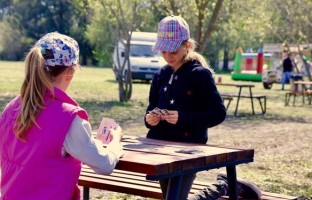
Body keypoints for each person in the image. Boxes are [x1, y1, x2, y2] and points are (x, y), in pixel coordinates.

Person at [144, 15, 261, 200]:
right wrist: (149, 119)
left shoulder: (200, 75)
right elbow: (151, 108)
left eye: (173, 51)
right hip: (160, 150)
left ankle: (222, 186)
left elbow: (218, 113)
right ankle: (224, 185)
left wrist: (183, 118)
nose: (167, 56)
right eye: (163, 51)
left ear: (187, 45)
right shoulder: (160, 75)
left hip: (189, 151)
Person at [0, 32, 124, 200]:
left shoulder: (11, 108)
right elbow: (104, 165)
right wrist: (115, 142)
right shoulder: (69, 118)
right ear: (69, 73)